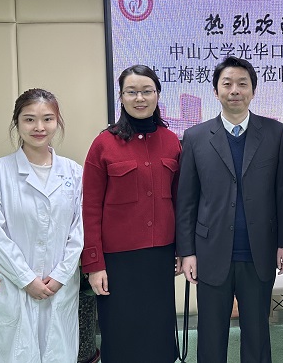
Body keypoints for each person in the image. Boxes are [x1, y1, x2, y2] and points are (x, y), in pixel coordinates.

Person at [176, 56, 283, 363]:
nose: (235, 90)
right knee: (210, 334)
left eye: (242, 84)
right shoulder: (196, 137)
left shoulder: (274, 133)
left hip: (259, 252)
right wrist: (187, 251)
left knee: (257, 334)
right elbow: (187, 200)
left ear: (253, 91)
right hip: (210, 252)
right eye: (227, 84)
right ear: (215, 91)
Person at [81, 65, 182, 363]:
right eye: (132, 92)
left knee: (159, 332)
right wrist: (94, 265)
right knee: (121, 334)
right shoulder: (103, 144)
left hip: (160, 256)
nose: (140, 98)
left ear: (157, 94)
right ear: (121, 97)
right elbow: (90, 208)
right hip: (117, 261)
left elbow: (181, 202)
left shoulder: (171, 141)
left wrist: (182, 249)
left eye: (147, 91)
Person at [0, 88, 83, 362]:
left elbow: (79, 230)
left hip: (58, 286)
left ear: (57, 122)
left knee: (57, 351)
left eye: (48, 119)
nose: (39, 127)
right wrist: (26, 279)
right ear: (17, 122)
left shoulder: (74, 173)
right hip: (13, 284)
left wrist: (60, 275)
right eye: (29, 119)